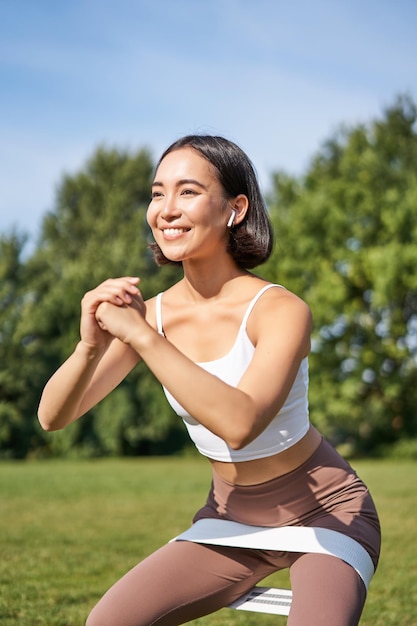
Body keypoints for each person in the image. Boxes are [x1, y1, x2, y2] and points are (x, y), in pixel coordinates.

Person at [38, 135, 381, 626]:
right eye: (157, 194)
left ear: (235, 209)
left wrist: (142, 336)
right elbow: (53, 416)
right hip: (229, 516)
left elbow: (240, 423)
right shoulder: (150, 315)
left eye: (188, 192)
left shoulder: (280, 309)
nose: (167, 210)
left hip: (326, 510)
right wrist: (89, 346)